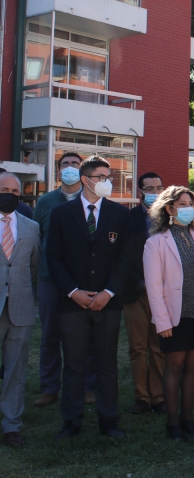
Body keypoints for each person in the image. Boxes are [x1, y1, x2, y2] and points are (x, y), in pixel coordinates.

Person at [47, 156, 132, 440]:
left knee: (107, 363)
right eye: (101, 177)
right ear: (86, 180)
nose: (107, 182)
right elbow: (54, 258)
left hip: (107, 303)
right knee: (73, 363)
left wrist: (108, 292)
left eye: (109, 177)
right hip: (72, 303)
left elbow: (125, 259)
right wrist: (73, 292)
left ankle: (108, 420)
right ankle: (71, 421)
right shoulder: (61, 214)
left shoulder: (120, 215)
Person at [143, 186, 194, 441]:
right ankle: (173, 423)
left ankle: (188, 419)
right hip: (175, 316)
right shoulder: (156, 242)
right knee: (174, 366)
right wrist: (162, 321)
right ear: (169, 208)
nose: (188, 208)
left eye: (191, 203)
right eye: (182, 203)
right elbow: (154, 287)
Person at [32, 152, 97, 408]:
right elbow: (37, 240)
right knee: (50, 335)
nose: (69, 168)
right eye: (64, 164)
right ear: (58, 170)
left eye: (74, 164)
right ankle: (49, 387)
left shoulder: (92, 200)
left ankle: (87, 386)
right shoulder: (46, 202)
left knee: (86, 336)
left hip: (83, 281)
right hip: (50, 279)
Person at [0, 172, 39, 447]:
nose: (10, 194)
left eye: (15, 191)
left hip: (21, 307)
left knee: (16, 369)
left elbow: (33, 267)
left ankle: (11, 425)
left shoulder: (31, 226)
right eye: (4, 189)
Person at [123, 172, 166, 415]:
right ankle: (142, 396)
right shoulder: (127, 219)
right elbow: (121, 258)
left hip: (163, 294)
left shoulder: (170, 220)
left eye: (158, 187)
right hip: (136, 292)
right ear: (140, 192)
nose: (155, 192)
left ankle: (158, 396)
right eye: (149, 188)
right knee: (138, 347)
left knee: (159, 346)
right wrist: (141, 283)